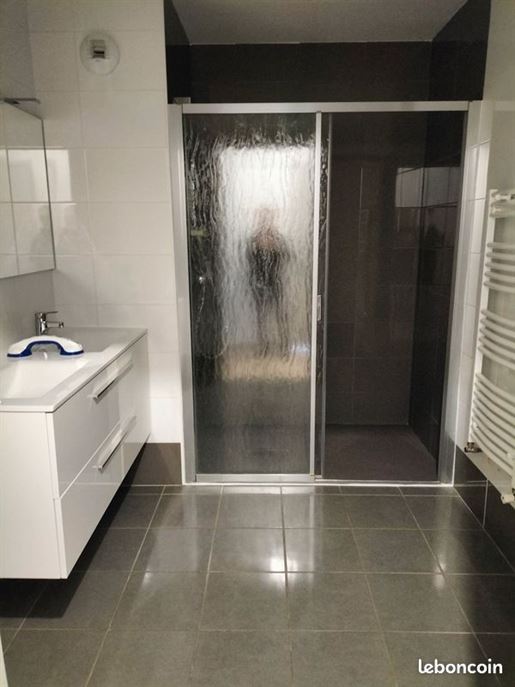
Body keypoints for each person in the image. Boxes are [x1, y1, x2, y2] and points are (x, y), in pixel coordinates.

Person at [247, 208, 290, 356]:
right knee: (261, 317)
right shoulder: (253, 240)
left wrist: (275, 244)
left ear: (272, 220)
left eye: (268, 218)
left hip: (275, 281)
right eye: (262, 217)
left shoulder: (278, 239)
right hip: (259, 283)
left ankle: (284, 346)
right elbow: (249, 261)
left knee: (280, 314)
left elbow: (287, 257)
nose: (265, 221)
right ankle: (263, 347)